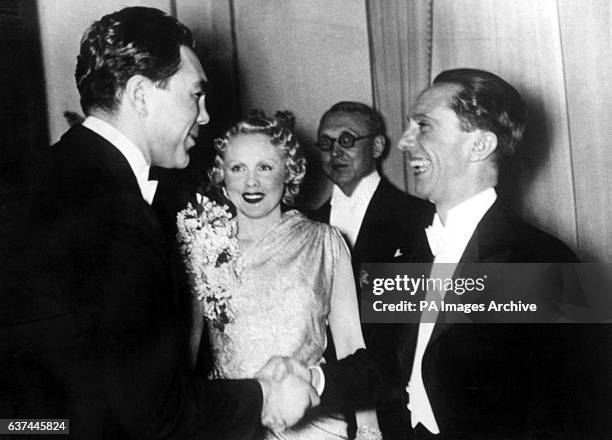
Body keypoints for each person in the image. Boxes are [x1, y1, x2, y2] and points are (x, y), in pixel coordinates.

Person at [2, 7, 317, 439]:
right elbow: (153, 411)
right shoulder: (113, 207)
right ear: (141, 95)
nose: (205, 115)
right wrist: (265, 397)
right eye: (195, 95)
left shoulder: (43, 176)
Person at [393, 68, 605, 438]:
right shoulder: (411, 249)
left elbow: (574, 413)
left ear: (480, 145)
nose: (404, 141)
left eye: (423, 125)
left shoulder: (545, 259)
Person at [194, 111, 381, 439]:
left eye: (265, 167)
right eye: (238, 168)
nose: (252, 182)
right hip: (232, 427)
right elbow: (185, 358)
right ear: (221, 174)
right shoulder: (202, 248)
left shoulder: (326, 243)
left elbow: (353, 347)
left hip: (315, 425)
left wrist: (369, 429)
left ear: (289, 171)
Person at [311, 101, 433, 439]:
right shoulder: (306, 227)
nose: (335, 151)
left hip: (397, 406)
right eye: (326, 143)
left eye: (347, 140)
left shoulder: (419, 218)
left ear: (377, 146)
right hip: (321, 406)